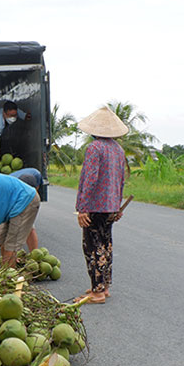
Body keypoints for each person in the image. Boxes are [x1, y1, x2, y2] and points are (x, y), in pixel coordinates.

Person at [73, 107, 128, 304]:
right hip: (111, 205)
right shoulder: (118, 149)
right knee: (106, 244)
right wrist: (117, 205)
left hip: (95, 205)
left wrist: (82, 207)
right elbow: (121, 179)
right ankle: (103, 287)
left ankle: (96, 293)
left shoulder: (94, 148)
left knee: (92, 246)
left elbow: (90, 179)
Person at [0, 168, 42, 259]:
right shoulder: (9, 187)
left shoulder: (37, 175)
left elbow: (34, 192)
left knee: (28, 227)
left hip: (22, 199)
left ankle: (35, 257)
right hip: (8, 201)